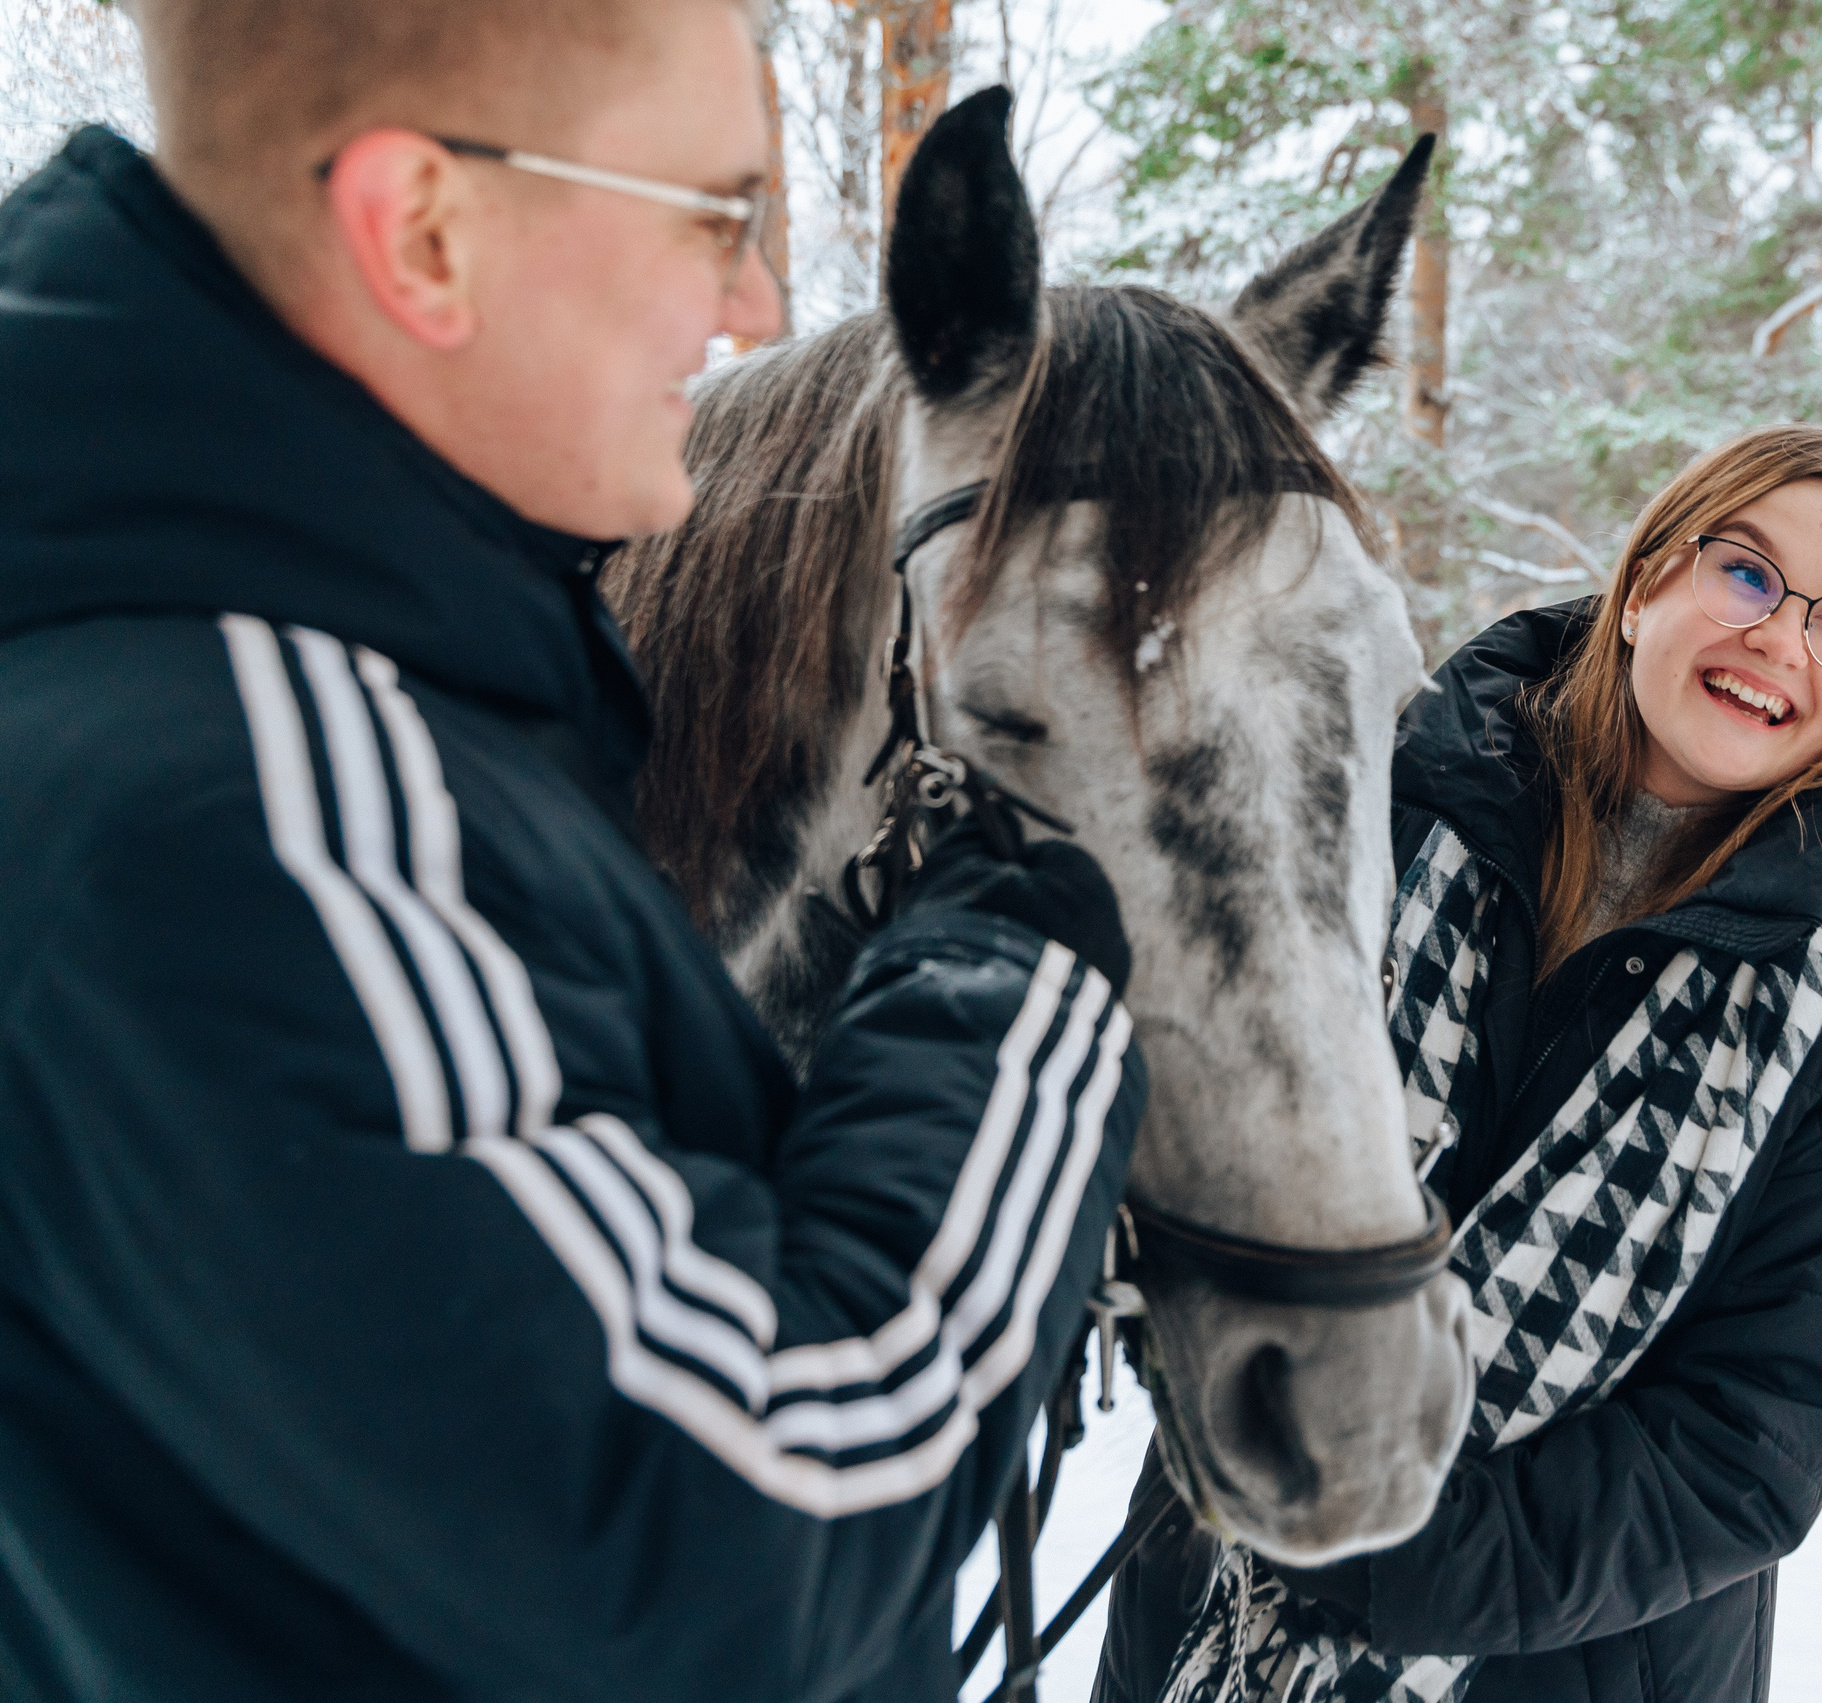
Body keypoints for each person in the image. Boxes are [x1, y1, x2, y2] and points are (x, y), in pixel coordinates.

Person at [0, 3, 1144, 1699]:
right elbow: (733, 1534)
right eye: (713, 213)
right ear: (428, 231)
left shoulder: (269, 683)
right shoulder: (261, 799)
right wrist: (1015, 990)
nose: (756, 304)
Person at [1099, 425, 1822, 1703]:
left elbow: (1748, 1444)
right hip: (1203, 1607)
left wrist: (1391, 1549)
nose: (1783, 639)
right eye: (1746, 575)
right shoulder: (1375, 819)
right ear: (1648, 583)